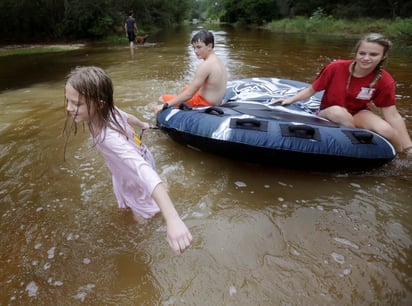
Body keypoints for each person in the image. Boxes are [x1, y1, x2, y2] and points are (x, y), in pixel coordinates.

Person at [63, 66, 192, 255]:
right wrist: (142, 124)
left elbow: (143, 172)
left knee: (141, 219)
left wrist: (173, 220)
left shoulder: (109, 137)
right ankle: (158, 190)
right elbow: (128, 117)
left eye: (76, 104)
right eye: (69, 101)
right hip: (135, 161)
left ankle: (157, 220)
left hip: (137, 171)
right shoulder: (108, 109)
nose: (69, 108)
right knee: (127, 204)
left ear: (99, 104)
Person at [280, 33, 412, 154]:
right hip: (329, 111)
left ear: (383, 56)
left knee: (386, 130)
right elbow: (311, 90)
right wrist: (290, 100)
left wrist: (408, 148)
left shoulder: (385, 80)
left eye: (373, 55)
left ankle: (398, 156)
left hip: (358, 113)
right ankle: (357, 146)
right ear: (356, 53)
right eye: (362, 53)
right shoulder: (335, 67)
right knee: (340, 114)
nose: (366, 58)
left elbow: (392, 115)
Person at [155, 30, 228, 113]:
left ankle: (157, 124)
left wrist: (166, 104)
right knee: (186, 88)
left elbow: (189, 94)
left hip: (204, 103)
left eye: (199, 47)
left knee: (162, 98)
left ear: (209, 46)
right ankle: (177, 104)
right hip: (215, 101)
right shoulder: (218, 61)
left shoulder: (206, 65)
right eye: (194, 47)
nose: (195, 51)